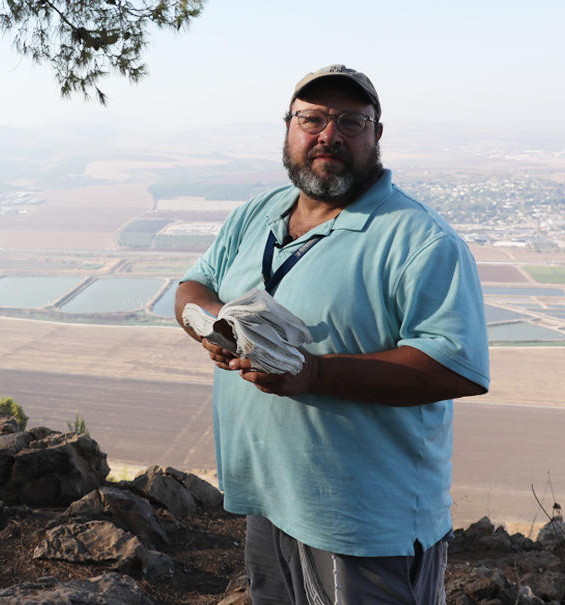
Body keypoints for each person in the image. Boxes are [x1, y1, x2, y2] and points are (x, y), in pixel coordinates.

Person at [175, 65, 491, 605]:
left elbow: (455, 366)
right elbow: (193, 286)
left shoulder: (420, 239)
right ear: (289, 127)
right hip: (271, 501)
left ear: (376, 135)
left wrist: (314, 373)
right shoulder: (258, 213)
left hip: (365, 525)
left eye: (351, 122)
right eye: (313, 119)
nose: (329, 135)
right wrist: (215, 328)